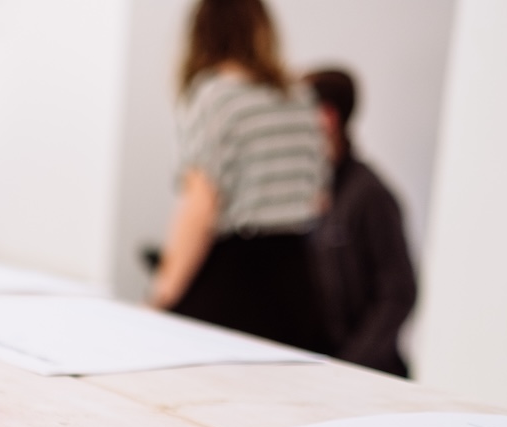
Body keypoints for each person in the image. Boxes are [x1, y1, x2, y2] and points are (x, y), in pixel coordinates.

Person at [150, 0, 331, 354]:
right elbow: (319, 197)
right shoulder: (301, 97)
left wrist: (162, 293)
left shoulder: (216, 95)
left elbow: (200, 205)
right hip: (299, 280)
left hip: (236, 280)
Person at [304, 68, 417, 377]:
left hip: (367, 380)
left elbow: (398, 294)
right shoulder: (311, 190)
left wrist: (348, 367)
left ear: (326, 117)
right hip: (317, 374)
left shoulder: (370, 196)